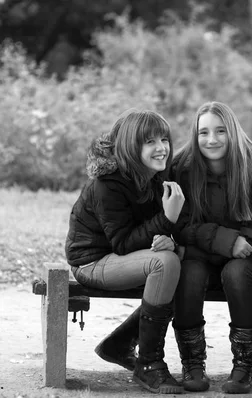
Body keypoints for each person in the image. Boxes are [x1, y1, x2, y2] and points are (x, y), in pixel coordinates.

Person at [65, 109, 186, 395]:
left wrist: (169, 238)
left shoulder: (155, 177)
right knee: (164, 264)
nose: (161, 148)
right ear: (132, 147)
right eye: (150, 142)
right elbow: (122, 242)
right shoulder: (109, 183)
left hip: (125, 258)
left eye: (164, 139)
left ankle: (119, 344)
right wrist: (166, 220)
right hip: (92, 262)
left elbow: (152, 234)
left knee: (180, 260)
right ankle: (149, 364)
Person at [170, 101, 252, 394]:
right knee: (189, 274)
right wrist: (225, 241)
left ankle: (245, 366)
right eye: (204, 132)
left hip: (247, 258)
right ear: (195, 135)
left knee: (236, 274)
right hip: (201, 256)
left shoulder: (251, 170)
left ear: (232, 133)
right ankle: (192, 363)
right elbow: (180, 227)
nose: (212, 139)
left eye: (220, 131)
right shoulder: (183, 171)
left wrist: (234, 246)